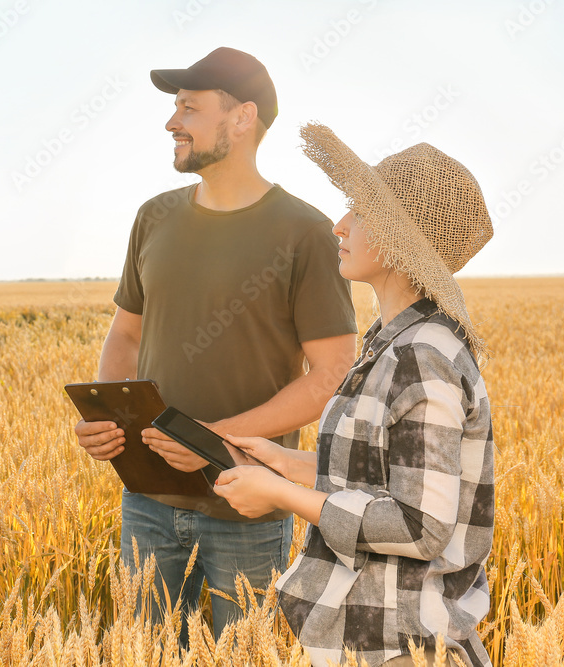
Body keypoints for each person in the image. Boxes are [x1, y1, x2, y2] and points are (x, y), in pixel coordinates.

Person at [73, 48, 359, 641]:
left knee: (245, 657)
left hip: (247, 505)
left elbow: (332, 373)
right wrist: (107, 417)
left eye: (188, 108)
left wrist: (213, 440)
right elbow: (126, 333)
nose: (171, 122)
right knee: (145, 655)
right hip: (148, 499)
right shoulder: (154, 217)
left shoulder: (305, 232)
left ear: (241, 117)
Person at [214, 123, 495, 666]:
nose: (339, 225)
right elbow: (385, 475)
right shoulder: (392, 342)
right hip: (371, 641)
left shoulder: (421, 355)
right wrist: (288, 464)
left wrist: (279, 496)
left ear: (397, 239)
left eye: (359, 213)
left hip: (403, 646)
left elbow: (421, 525)